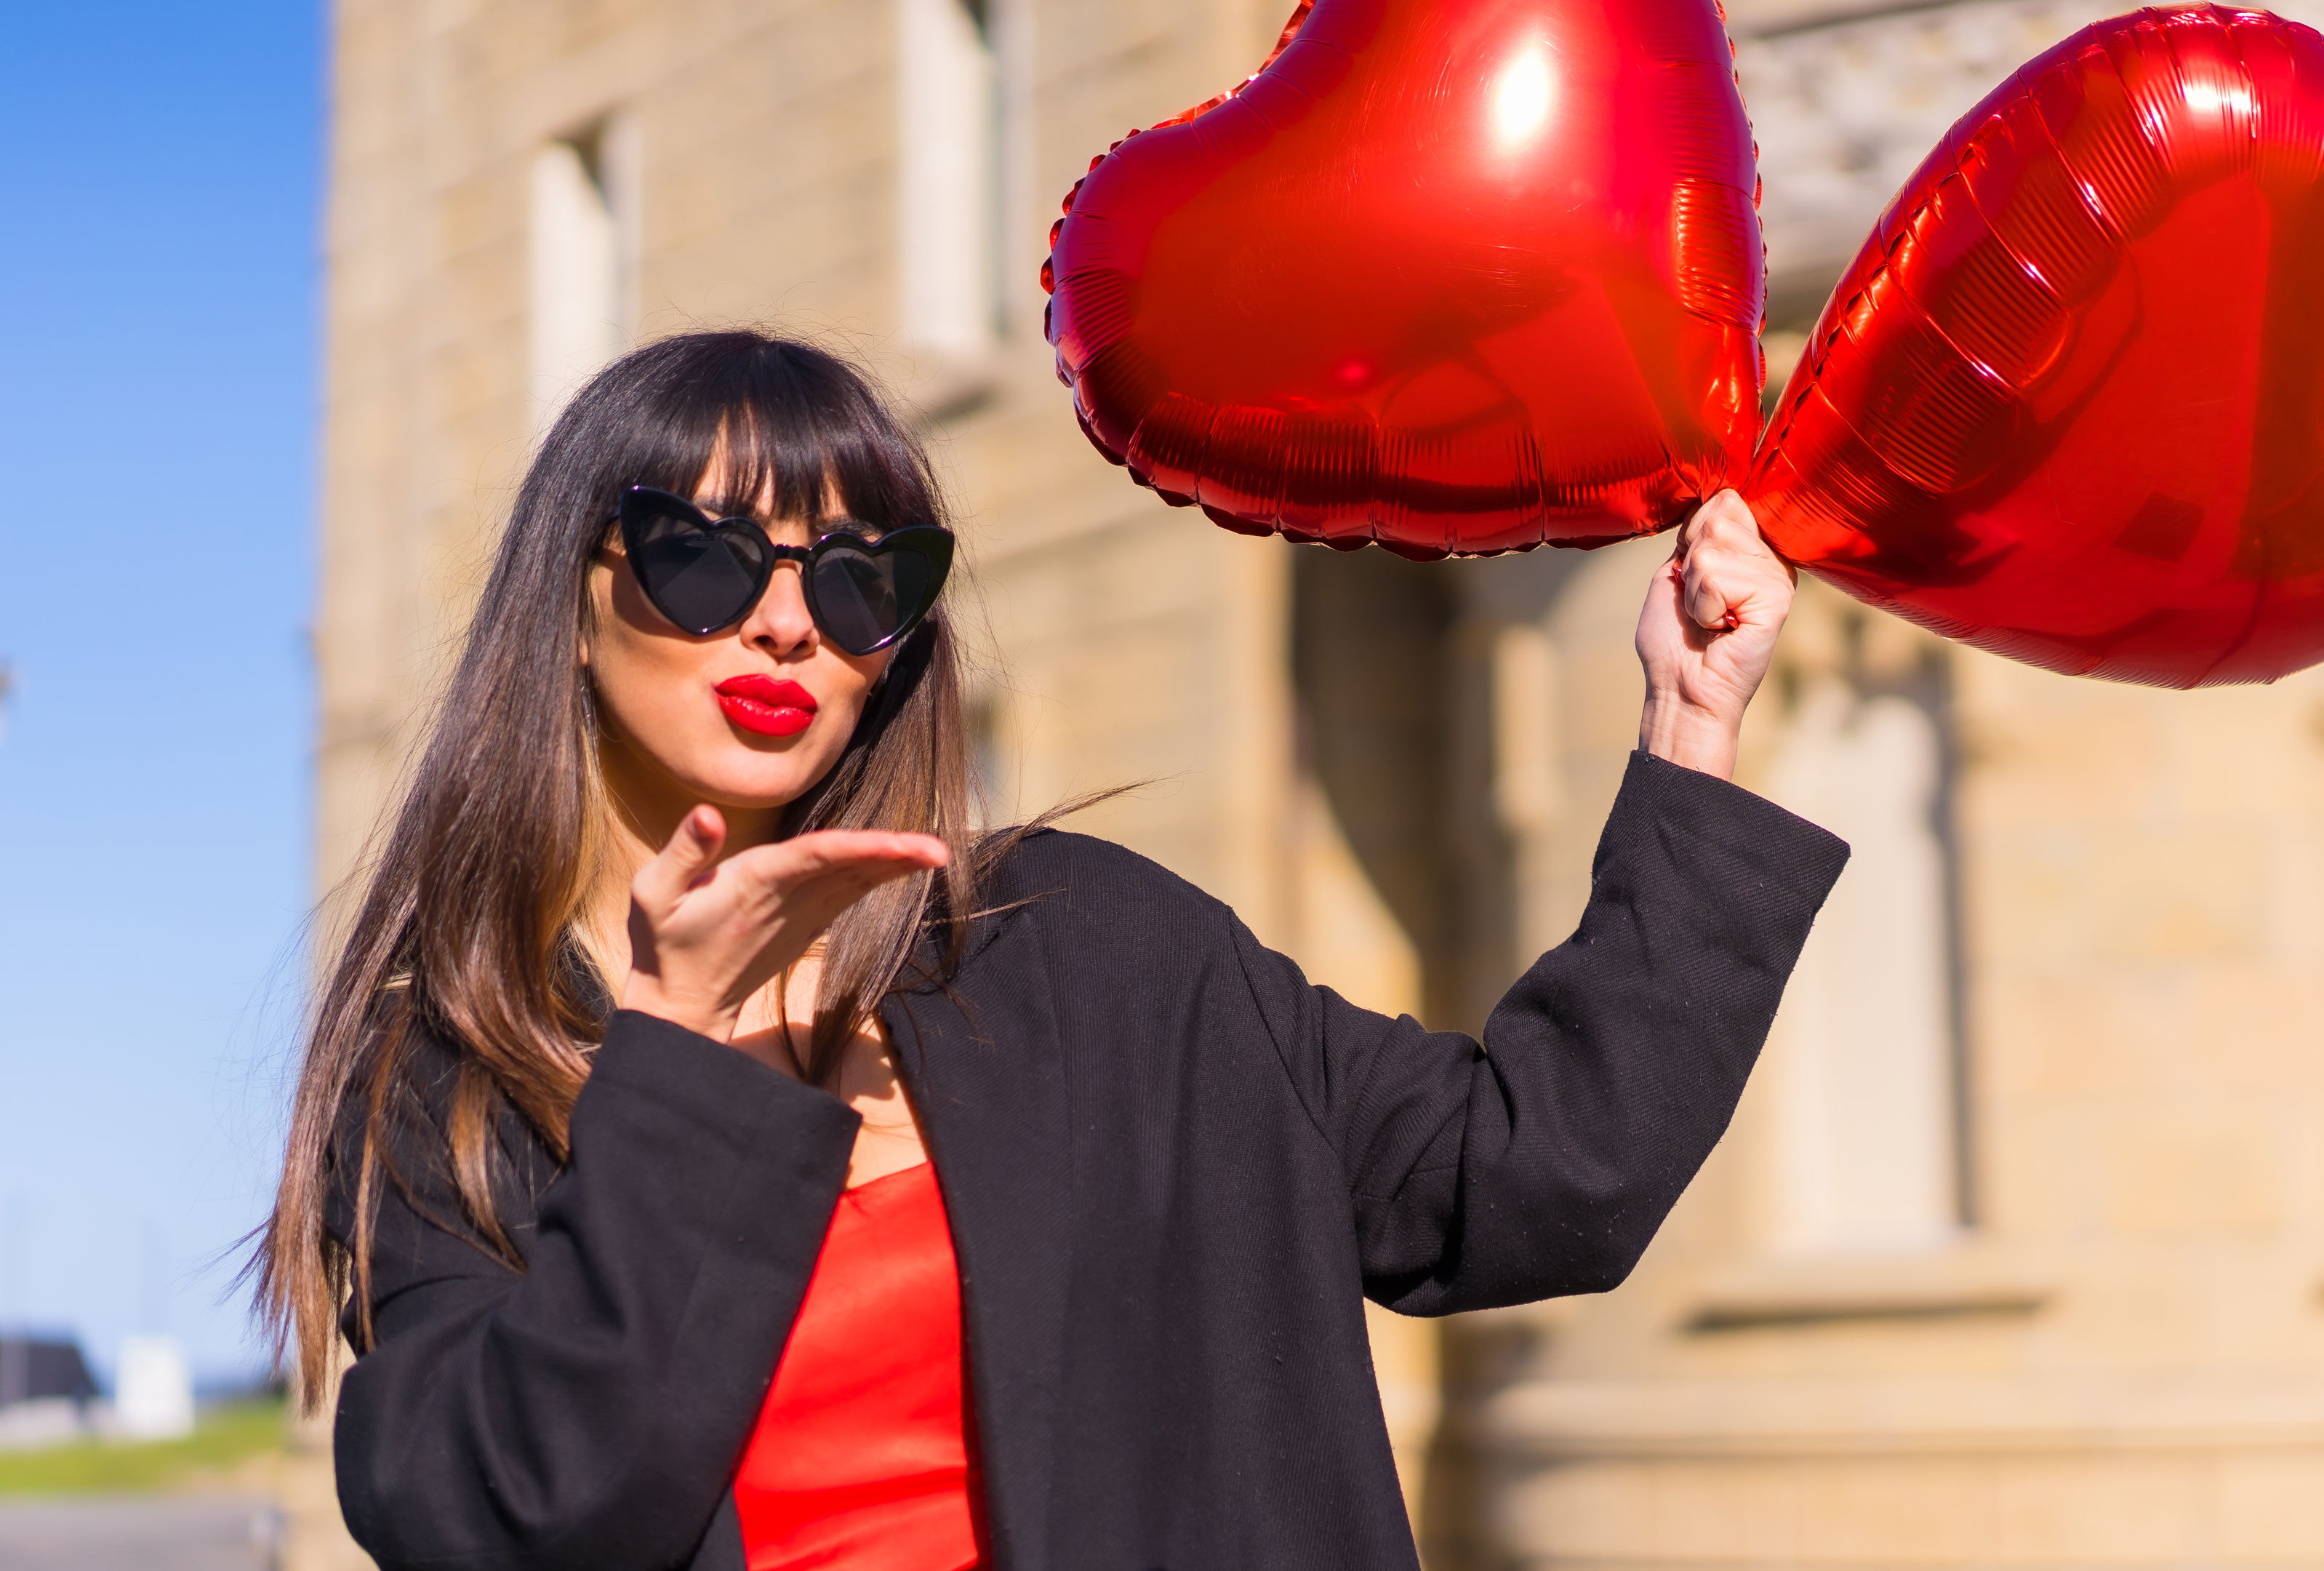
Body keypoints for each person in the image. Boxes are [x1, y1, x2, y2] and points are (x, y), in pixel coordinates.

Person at [257, 330, 1847, 1571]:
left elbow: (1536, 1178)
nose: (787, 624)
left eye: (860, 579)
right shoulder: (444, 1086)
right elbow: (512, 1519)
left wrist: (1688, 729)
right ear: (577, 595)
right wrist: (677, 1071)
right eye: (706, 557)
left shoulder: (1085, 950)